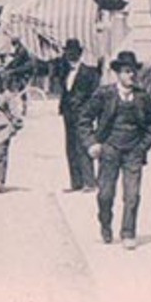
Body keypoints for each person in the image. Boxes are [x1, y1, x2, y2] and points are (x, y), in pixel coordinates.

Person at [84, 50, 151, 249]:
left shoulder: (142, 97)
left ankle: (128, 232)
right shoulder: (104, 94)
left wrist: (142, 147)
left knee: (132, 195)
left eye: (133, 71)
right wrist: (92, 142)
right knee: (105, 194)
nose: (131, 76)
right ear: (118, 73)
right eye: (127, 72)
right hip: (109, 149)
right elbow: (84, 120)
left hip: (133, 152)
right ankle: (105, 223)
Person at [56, 38, 100, 192]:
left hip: (82, 114)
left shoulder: (89, 72)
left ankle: (90, 182)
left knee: (83, 146)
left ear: (79, 53)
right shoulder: (65, 71)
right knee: (71, 147)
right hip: (68, 114)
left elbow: (95, 95)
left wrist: (90, 112)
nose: (69, 54)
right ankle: (76, 183)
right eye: (67, 51)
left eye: (73, 51)